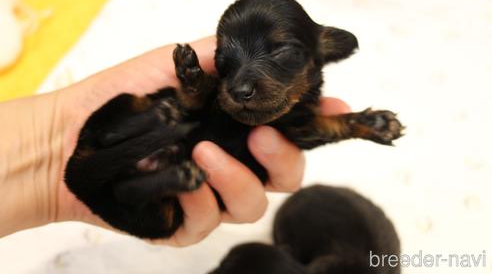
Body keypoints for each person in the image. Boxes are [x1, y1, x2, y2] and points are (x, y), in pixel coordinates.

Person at [0, 36, 350, 246]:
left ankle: (152, 150)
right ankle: (153, 146)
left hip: (132, 166)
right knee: (161, 213)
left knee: (160, 213)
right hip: (132, 152)